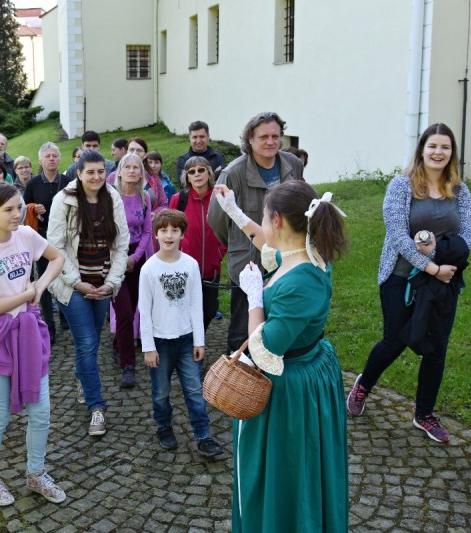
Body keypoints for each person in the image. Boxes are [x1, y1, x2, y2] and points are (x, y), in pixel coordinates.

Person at [214, 179, 349, 532]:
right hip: (305, 372)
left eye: (263, 214)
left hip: (291, 387)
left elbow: (262, 351)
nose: (262, 222)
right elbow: (267, 246)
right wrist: (235, 212)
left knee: (287, 469)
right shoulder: (303, 253)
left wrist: (254, 298)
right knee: (295, 466)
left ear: (278, 219)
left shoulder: (301, 281)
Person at [347, 123, 471, 444]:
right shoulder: (402, 185)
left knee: (437, 347)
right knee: (394, 341)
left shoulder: (459, 189)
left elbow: (467, 235)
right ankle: (364, 384)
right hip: (400, 276)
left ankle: (424, 414)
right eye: (433, 146)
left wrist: (445, 265)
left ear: (451, 153)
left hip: (444, 279)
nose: (438, 152)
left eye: (445, 147)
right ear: (422, 149)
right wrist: (431, 266)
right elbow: (398, 235)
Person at [0, 183, 67, 507]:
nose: (16, 213)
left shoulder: (25, 235)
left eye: (19, 206)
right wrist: (26, 294)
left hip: (27, 332)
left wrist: (41, 285)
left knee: (41, 411)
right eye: (8, 209)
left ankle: (36, 474)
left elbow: (58, 257)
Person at [47, 151, 129, 435]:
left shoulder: (112, 197)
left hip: (103, 283)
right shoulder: (64, 200)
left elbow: (122, 244)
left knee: (92, 341)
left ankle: (82, 376)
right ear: (78, 173)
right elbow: (55, 246)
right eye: (89, 172)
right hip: (73, 286)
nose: (96, 177)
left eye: (100, 171)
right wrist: (76, 282)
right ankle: (96, 408)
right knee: (87, 343)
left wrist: (112, 281)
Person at [207, 111, 303, 352]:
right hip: (249, 262)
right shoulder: (233, 173)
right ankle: (239, 378)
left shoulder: (293, 165)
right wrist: (239, 244)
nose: (270, 142)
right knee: (243, 329)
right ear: (249, 139)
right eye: (263, 137)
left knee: (281, 322)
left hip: (288, 260)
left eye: (275, 136)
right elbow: (216, 219)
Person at [138, 209, 223, 457]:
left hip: (186, 340)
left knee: (195, 390)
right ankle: (164, 426)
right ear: (156, 234)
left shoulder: (191, 265)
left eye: (175, 230)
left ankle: (203, 435)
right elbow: (144, 310)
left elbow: (196, 304)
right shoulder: (149, 269)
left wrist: (199, 340)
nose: (169, 235)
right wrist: (148, 347)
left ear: (182, 234)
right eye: (164, 230)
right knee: (161, 391)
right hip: (160, 342)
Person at [168, 156, 227, 331]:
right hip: (184, 268)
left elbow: (228, 229)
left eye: (201, 170)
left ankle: (196, 338)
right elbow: (170, 232)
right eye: (192, 172)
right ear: (186, 176)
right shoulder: (179, 199)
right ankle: (191, 346)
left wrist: (220, 251)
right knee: (183, 311)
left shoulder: (220, 198)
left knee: (209, 310)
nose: (197, 174)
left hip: (211, 268)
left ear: (209, 173)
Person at [111, 153, 153, 388]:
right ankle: (128, 365)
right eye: (127, 166)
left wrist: (135, 258)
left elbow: (147, 232)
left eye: (136, 167)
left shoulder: (144, 196)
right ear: (119, 171)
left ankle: (119, 344)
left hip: (137, 258)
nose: (132, 170)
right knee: (124, 312)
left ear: (141, 172)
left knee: (135, 306)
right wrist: (120, 258)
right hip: (116, 255)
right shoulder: (111, 196)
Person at [23, 142, 71, 343]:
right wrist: (34, 209)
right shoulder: (33, 184)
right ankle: (49, 326)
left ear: (59, 159)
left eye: (54, 156)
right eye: (47, 156)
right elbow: (24, 210)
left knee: (66, 278)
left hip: (65, 239)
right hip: (41, 239)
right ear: (41, 161)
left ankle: (66, 318)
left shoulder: (68, 181)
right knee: (44, 280)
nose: (51, 159)